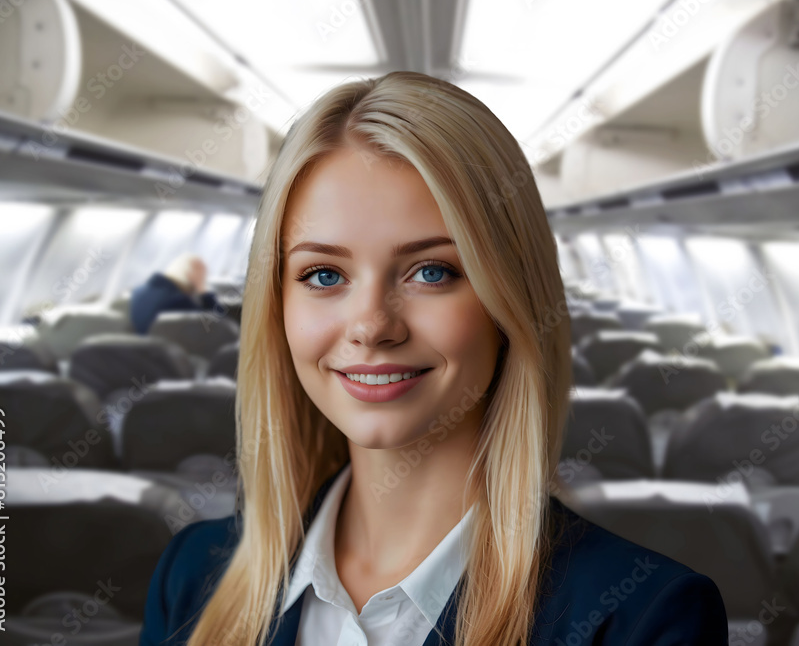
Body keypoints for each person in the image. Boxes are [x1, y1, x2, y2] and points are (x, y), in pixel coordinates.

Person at [139, 71, 728, 646]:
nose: (372, 326)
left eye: (432, 272)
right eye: (323, 274)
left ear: (509, 302)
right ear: (278, 307)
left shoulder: (641, 619)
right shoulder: (192, 578)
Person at [129, 253, 220, 333]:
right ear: (189, 276)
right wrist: (202, 289)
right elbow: (219, 324)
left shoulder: (138, 291)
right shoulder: (178, 300)